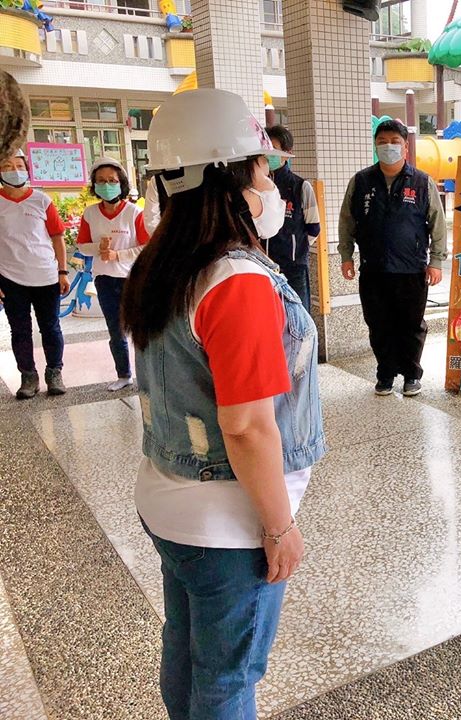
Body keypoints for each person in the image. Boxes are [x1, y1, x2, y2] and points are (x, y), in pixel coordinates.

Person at [121, 88, 325, 719]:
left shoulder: (165, 262)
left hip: (169, 498)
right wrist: (279, 527)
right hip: (227, 523)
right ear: (224, 176)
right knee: (230, 676)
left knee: (187, 652)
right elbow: (246, 428)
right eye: (261, 167)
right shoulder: (235, 280)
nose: (272, 182)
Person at [338, 119, 447, 397]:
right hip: (373, 269)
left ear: (406, 148)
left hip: (411, 270)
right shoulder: (361, 181)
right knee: (378, 324)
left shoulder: (422, 182)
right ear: (375, 146)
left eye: (394, 142)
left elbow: (437, 223)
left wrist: (436, 261)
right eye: (382, 142)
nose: (388, 147)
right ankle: (385, 374)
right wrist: (346, 256)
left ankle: (412, 374)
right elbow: (347, 221)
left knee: (411, 325)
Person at [76, 156, 150, 391]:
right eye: (101, 181)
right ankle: (123, 374)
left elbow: (146, 246)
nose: (106, 185)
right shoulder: (90, 214)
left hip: (132, 277)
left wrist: (118, 255)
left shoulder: (133, 212)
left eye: (112, 180)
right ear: (94, 185)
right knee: (115, 330)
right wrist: (98, 247)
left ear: (121, 183)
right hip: (105, 279)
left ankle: (147, 376)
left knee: (139, 328)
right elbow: (81, 245)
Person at [0, 148, 68, 399]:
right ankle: (28, 376)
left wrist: (62, 271)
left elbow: (58, 237)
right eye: (7, 166)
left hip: (46, 276)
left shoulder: (42, 200)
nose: (14, 170)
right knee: (19, 330)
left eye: (19, 165)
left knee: (51, 327)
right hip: (10, 278)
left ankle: (54, 372)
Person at [263, 125, 321, 308]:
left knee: (298, 317)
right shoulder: (256, 187)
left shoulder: (300, 187)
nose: (268, 154)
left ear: (287, 153)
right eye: (265, 148)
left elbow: (314, 227)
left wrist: (295, 246)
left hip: (294, 268)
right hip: (263, 266)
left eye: (273, 149)